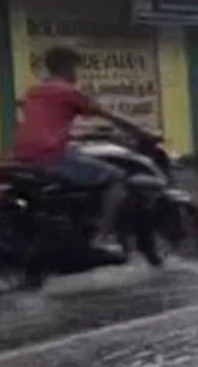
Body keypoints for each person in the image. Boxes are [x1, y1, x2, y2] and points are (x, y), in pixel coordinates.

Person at [11, 46, 149, 251]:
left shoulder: (35, 92)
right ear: (68, 67)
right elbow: (109, 115)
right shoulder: (68, 92)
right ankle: (101, 238)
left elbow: (46, 123)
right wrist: (141, 133)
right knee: (117, 177)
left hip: (22, 154)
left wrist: (80, 136)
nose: (77, 74)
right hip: (50, 154)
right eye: (76, 68)